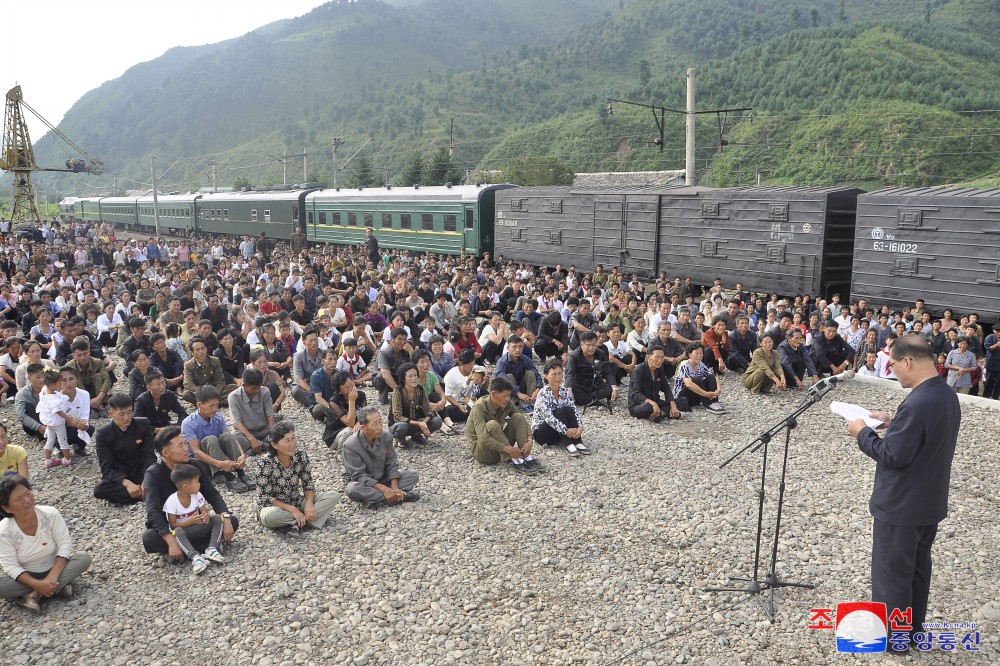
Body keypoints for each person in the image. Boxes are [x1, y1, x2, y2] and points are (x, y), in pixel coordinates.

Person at [846, 334, 960, 650]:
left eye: (894, 363)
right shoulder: (945, 394)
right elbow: (923, 433)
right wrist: (891, 421)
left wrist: (862, 433)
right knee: (917, 572)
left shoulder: (918, 402)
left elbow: (893, 455)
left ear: (907, 361)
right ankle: (911, 632)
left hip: (901, 506)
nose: (893, 369)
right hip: (928, 503)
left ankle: (892, 641)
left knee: (892, 576)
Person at [142, 426, 239, 560]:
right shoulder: (153, 474)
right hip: (174, 530)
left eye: (185, 443)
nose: (186, 449)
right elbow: (153, 512)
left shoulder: (194, 465)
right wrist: (170, 541)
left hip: (195, 525)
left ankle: (188, 551)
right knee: (149, 538)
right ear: (165, 453)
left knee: (231, 521)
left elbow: (212, 494)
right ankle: (207, 546)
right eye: (180, 445)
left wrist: (226, 517)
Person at [0, 475, 93, 613]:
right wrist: (38, 583)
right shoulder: (3, 530)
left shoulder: (50, 514)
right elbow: (10, 566)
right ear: (7, 508)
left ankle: (34, 595)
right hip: (26, 576)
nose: (27, 500)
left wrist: (51, 577)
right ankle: (58, 588)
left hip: (55, 568)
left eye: (28, 493)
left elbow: (64, 545)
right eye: (19, 499)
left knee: (84, 558)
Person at [258, 421, 340, 533]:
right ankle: (305, 520)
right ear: (274, 445)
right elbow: (265, 497)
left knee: (333, 496)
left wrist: (309, 504)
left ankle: (296, 523)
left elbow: (308, 484)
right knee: (271, 516)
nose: (292, 444)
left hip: (296, 500)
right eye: (287, 440)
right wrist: (292, 510)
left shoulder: (300, 455)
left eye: (293, 438)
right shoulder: (265, 462)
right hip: (276, 507)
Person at [180, 385, 254, 493]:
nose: (215, 409)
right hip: (202, 463)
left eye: (217, 405)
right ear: (199, 405)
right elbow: (196, 452)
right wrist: (219, 464)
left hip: (219, 456)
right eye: (211, 406)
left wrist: (242, 454)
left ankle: (240, 471)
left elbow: (230, 437)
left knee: (227, 436)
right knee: (211, 439)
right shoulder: (188, 423)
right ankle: (228, 476)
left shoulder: (218, 417)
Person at [343, 407, 420, 508]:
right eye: (374, 424)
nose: (379, 427)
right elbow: (359, 476)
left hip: (383, 478)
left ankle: (381, 498)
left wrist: (394, 487)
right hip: (365, 484)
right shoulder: (350, 445)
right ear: (363, 427)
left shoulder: (386, 436)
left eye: (380, 421)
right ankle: (399, 497)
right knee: (352, 489)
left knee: (413, 476)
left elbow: (392, 464)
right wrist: (384, 489)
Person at [162, 463, 227, 575]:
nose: (199, 484)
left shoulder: (197, 495)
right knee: (176, 532)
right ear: (186, 487)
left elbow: (204, 512)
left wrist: (206, 516)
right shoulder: (172, 501)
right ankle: (195, 557)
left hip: (199, 528)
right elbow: (172, 525)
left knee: (216, 518)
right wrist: (189, 522)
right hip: (185, 533)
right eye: (196, 482)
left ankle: (211, 549)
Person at [467, 377, 539, 474]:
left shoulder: (507, 402)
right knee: (492, 424)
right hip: (483, 452)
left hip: (500, 447)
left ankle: (525, 456)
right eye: (504, 396)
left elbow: (523, 421)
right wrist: (509, 450)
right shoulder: (479, 407)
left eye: (509, 395)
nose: (507, 399)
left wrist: (529, 440)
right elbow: (483, 438)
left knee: (518, 417)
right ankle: (515, 459)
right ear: (493, 394)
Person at [94, 393, 156, 504]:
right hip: (121, 476)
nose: (127, 418)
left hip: (141, 471)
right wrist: (126, 483)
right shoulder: (103, 434)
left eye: (129, 412)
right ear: (111, 413)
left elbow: (149, 455)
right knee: (100, 490)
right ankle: (145, 494)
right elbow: (107, 468)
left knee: (164, 475)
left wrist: (145, 480)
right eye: (121, 414)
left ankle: (140, 492)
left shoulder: (143, 424)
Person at [531, 359, 591, 456]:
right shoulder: (543, 393)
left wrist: (580, 426)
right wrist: (566, 431)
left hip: (558, 431)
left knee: (568, 409)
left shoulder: (564, 390)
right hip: (542, 433)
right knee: (558, 411)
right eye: (554, 374)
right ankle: (568, 443)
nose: (558, 377)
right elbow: (549, 418)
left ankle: (577, 441)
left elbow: (574, 410)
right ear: (546, 375)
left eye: (560, 373)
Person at [311, 354, 365, 450]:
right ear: (340, 391)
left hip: (356, 429)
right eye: (346, 388)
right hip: (337, 434)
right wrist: (351, 401)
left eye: (351, 384)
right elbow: (350, 422)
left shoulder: (360, 395)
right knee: (349, 431)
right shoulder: (334, 402)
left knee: (370, 425)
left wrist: (360, 422)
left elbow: (365, 413)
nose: (351, 388)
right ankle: (342, 452)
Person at [389, 363, 443, 448]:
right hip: (400, 424)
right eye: (410, 376)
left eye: (415, 375)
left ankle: (416, 435)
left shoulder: (420, 389)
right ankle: (399, 438)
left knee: (437, 421)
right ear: (404, 379)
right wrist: (418, 423)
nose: (414, 378)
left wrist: (424, 422)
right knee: (402, 426)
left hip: (416, 421)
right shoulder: (398, 391)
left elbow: (428, 410)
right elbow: (397, 416)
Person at [628, 345, 683, 422]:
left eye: (662, 357)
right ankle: (663, 413)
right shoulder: (639, 370)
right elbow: (635, 394)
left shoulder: (660, 369)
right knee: (648, 407)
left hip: (655, 401)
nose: (660, 361)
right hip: (639, 404)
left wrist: (673, 405)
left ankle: (660, 413)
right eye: (656, 357)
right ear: (648, 357)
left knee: (682, 401)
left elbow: (666, 388)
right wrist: (653, 403)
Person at [565, 331, 618, 408]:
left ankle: (590, 400)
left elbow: (608, 372)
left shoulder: (600, 353)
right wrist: (569, 390)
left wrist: (615, 388)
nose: (591, 348)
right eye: (588, 345)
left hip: (595, 384)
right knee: (572, 391)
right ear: (581, 345)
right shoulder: (574, 356)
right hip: (580, 385)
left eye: (593, 345)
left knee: (609, 390)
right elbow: (569, 373)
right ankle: (594, 400)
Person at [38, 367, 77, 468]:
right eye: (60, 383)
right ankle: (67, 460)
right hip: (57, 422)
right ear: (52, 385)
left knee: (50, 440)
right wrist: (70, 419)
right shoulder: (53, 398)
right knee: (63, 440)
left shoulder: (44, 390)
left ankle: (48, 461)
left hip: (48, 421)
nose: (61, 385)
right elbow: (58, 412)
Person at [182, 338, 237, 406]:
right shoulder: (188, 365)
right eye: (197, 349)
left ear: (206, 349)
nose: (201, 351)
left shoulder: (215, 361)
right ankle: (217, 403)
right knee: (186, 394)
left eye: (203, 348)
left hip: (215, 390)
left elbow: (220, 380)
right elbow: (188, 384)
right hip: (200, 392)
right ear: (192, 353)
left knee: (234, 388)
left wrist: (214, 393)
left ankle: (209, 404)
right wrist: (203, 393)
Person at [493, 335, 542, 410]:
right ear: (508, 348)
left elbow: (537, 374)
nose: (518, 350)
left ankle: (529, 400)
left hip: (522, 388)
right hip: (509, 392)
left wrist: (537, 389)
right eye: (514, 347)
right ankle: (518, 402)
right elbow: (501, 381)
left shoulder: (526, 359)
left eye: (520, 347)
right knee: (508, 377)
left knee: (531, 374)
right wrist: (518, 394)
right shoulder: (502, 362)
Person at [673, 343, 726, 413]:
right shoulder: (684, 365)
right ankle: (708, 404)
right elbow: (688, 384)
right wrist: (705, 393)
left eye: (701, 353)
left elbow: (713, 377)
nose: (699, 356)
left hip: (697, 395)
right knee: (695, 379)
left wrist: (718, 388)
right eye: (696, 353)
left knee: (710, 376)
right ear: (689, 354)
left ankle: (714, 402)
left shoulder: (700, 364)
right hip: (683, 397)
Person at [291, 326, 323, 408]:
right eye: (310, 340)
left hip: (322, 384)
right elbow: (299, 380)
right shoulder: (299, 357)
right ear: (304, 342)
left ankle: (317, 403)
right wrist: (313, 391)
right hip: (308, 387)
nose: (314, 343)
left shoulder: (324, 354)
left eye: (315, 339)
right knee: (296, 391)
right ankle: (317, 403)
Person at [984, 322, 1000, 400]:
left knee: (998, 382)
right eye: (997, 331)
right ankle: (986, 396)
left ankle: (995, 396)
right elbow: (988, 348)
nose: (998, 333)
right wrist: (996, 345)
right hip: (991, 363)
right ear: (994, 330)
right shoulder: (989, 337)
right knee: (988, 381)